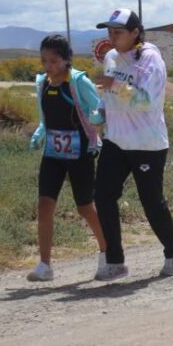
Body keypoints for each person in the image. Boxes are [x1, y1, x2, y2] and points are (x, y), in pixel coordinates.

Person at [92, 8, 173, 281]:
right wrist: (100, 108)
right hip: (116, 141)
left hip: (147, 143)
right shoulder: (111, 57)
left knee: (151, 202)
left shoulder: (150, 60)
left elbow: (145, 101)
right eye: (109, 32)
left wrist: (114, 87)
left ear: (135, 33)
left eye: (118, 32)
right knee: (103, 196)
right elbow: (109, 93)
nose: (112, 37)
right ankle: (115, 262)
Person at [27, 34, 108, 281]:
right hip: (53, 152)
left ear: (65, 60)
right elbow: (45, 116)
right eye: (44, 61)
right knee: (44, 205)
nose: (48, 66)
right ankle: (45, 265)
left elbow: (99, 108)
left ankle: (107, 253)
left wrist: (96, 119)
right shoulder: (42, 83)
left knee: (85, 207)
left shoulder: (78, 82)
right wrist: (40, 132)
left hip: (80, 151)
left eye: (53, 60)